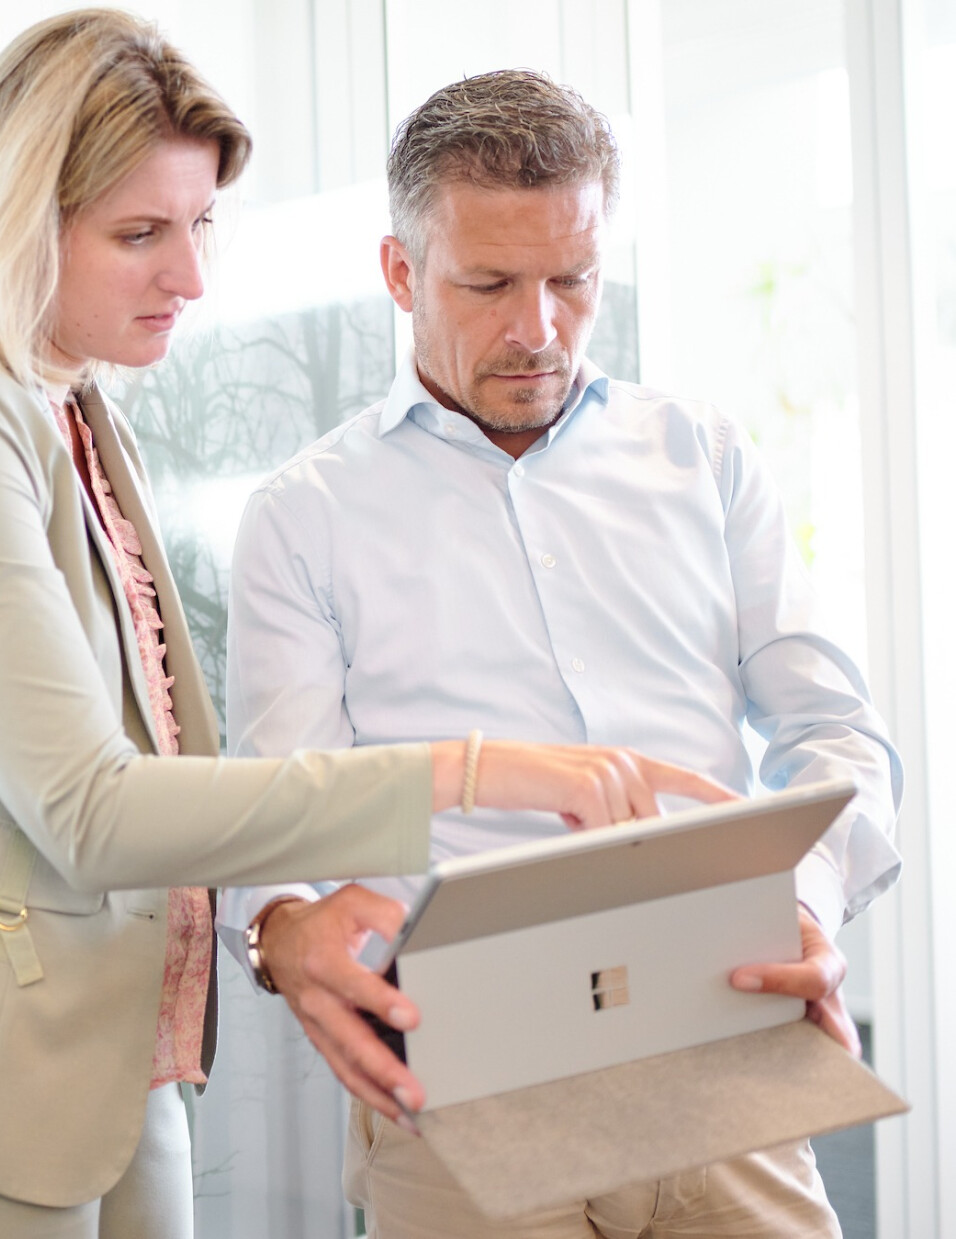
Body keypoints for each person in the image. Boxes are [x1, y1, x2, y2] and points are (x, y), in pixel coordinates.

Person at [0, 22, 730, 1239]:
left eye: (199, 224)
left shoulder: (74, 409)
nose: (190, 277)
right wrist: (478, 774)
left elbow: (167, 761)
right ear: (18, 223)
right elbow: (87, 808)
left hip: (119, 1056)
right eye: (139, 234)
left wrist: (284, 922)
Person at [219, 70, 904, 1238]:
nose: (537, 329)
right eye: (488, 284)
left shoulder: (702, 458)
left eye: (572, 279)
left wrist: (803, 899)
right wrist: (281, 921)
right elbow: (281, 806)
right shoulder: (304, 515)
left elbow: (831, 729)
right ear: (400, 273)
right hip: (461, 1087)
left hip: (720, 1042)